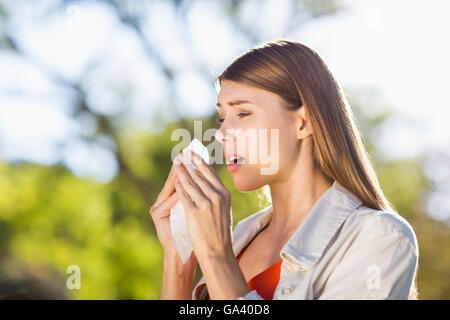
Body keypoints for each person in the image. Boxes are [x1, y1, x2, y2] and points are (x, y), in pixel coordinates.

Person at [149, 39, 419, 300]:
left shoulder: (379, 239)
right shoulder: (238, 239)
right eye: (223, 118)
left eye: (242, 114)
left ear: (303, 122)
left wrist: (216, 258)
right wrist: (179, 263)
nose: (221, 134)